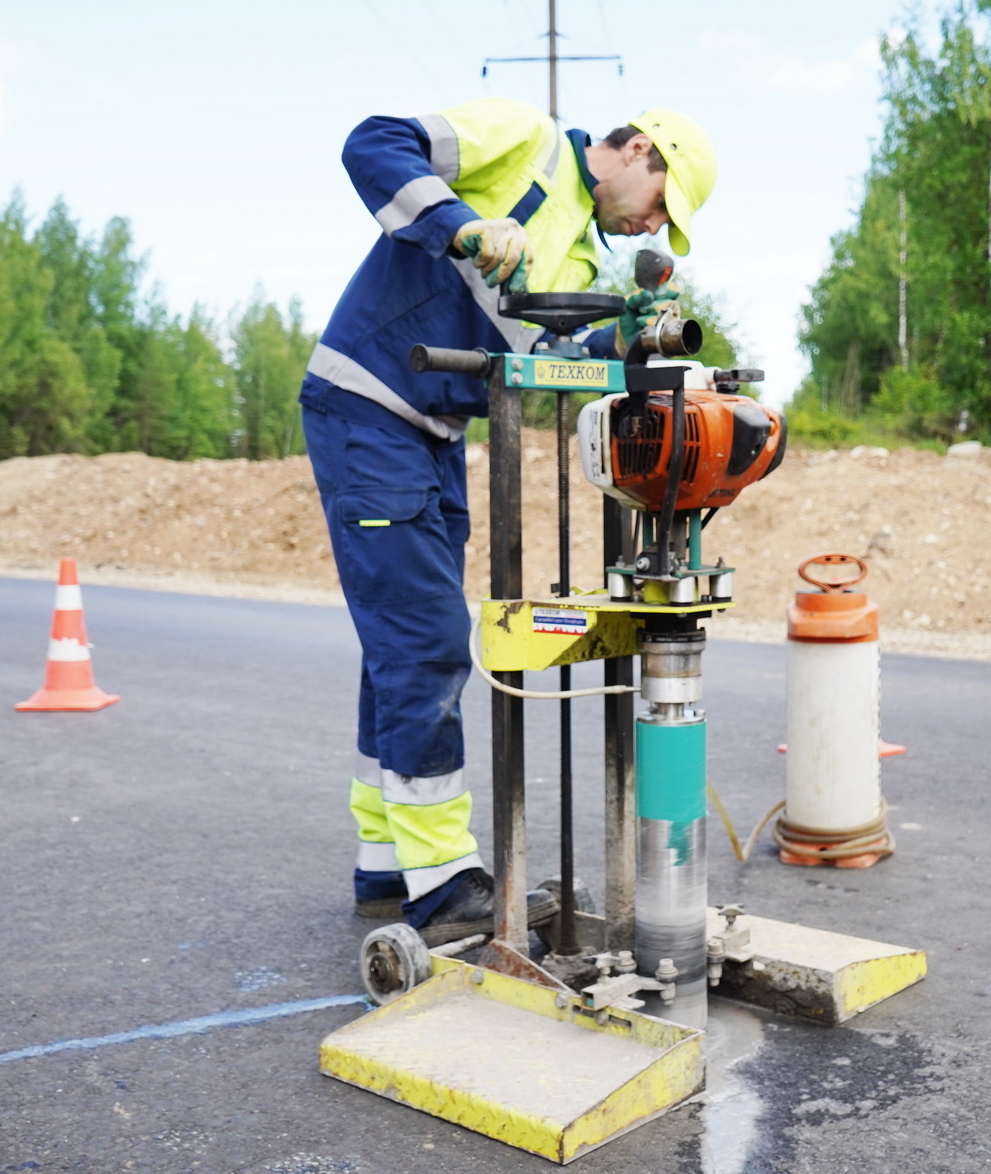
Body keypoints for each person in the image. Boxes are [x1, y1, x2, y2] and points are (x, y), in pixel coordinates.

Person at [299, 98, 716, 943]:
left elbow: (546, 355)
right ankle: (445, 883)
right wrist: (460, 226)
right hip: (369, 407)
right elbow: (374, 142)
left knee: (400, 648)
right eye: (657, 208)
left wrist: (633, 344)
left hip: (433, 431)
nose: (647, 230)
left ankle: (389, 863)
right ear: (638, 151)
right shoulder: (522, 138)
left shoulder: (573, 249)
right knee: (424, 643)